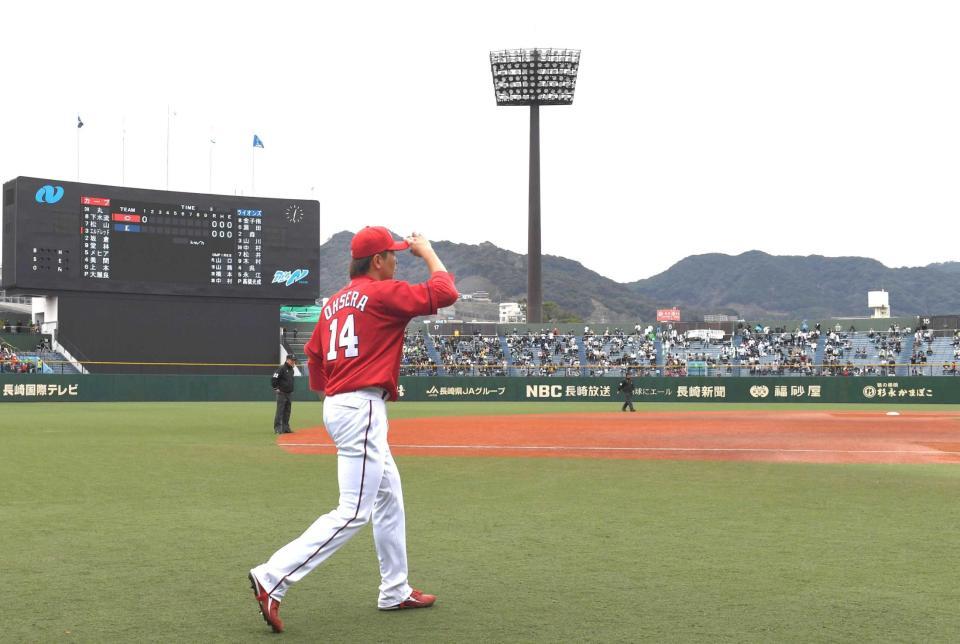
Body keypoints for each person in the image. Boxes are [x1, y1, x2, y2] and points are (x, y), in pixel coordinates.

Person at [249, 227, 458, 633]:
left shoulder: (333, 303)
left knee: (389, 496)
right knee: (353, 512)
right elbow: (445, 291)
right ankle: (272, 576)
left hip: (342, 403)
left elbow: (313, 355)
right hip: (361, 406)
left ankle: (395, 589)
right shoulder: (381, 293)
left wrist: (336, 395)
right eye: (392, 254)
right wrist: (427, 251)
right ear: (377, 261)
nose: (396, 260)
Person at [271, 354, 298, 434]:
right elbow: (274, 378)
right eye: (292, 360)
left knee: (287, 411)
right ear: (287, 360)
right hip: (282, 393)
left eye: (294, 360)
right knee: (280, 411)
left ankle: (285, 428)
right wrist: (275, 388)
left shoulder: (291, 370)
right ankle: (277, 428)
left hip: (289, 393)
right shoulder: (281, 368)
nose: (293, 362)